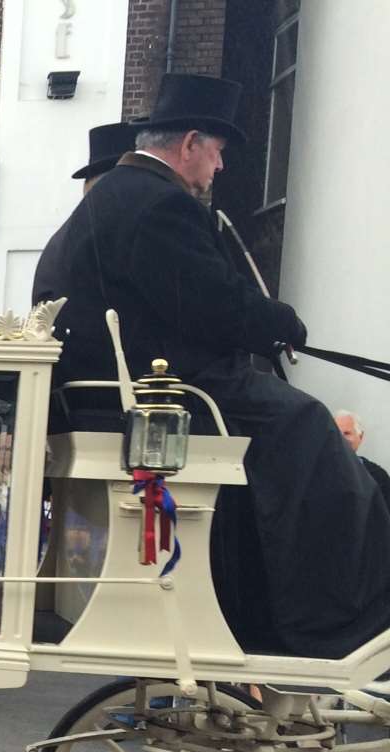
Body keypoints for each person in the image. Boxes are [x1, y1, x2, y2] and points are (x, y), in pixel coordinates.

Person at [33, 72, 390, 658]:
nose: (220, 168)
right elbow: (213, 304)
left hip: (112, 391)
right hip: (168, 394)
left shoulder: (107, 202)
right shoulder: (160, 204)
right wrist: (279, 320)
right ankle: (330, 619)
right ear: (191, 142)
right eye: (218, 153)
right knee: (306, 424)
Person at [336, 411, 390, 510]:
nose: (341, 439)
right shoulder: (319, 472)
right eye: (337, 433)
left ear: (360, 437)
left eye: (347, 433)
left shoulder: (378, 476)